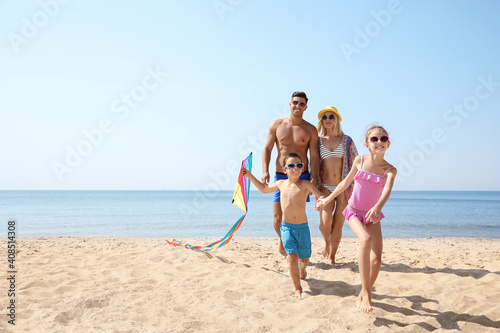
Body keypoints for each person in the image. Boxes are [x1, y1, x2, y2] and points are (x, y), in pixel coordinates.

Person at [315, 124, 397, 313]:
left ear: (388, 144)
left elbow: (387, 191)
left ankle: (363, 291)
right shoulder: (359, 160)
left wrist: (378, 207)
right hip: (353, 211)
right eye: (374, 139)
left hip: (372, 214)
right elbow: (345, 182)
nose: (379, 142)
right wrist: (328, 198)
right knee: (365, 240)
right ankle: (367, 293)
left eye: (383, 139)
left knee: (377, 260)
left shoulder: (390, 170)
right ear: (367, 144)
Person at [242, 153, 325, 299]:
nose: (295, 168)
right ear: (284, 169)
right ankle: (297, 288)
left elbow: (320, 196)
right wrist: (249, 175)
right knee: (292, 257)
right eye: (291, 166)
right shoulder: (280, 184)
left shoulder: (305, 184)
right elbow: (263, 189)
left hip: (302, 228)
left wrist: (320, 201)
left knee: (304, 259)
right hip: (286, 227)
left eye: (299, 165)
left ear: (302, 168)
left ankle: (303, 269)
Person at [262, 91, 319, 256]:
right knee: (277, 218)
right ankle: (284, 239)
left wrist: (314, 176)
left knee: (296, 216)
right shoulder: (277, 125)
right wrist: (265, 170)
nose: (298, 106)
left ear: (305, 107)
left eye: (301, 104)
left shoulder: (310, 129)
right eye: (295, 102)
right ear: (290, 104)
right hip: (281, 175)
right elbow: (267, 148)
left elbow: (314, 155)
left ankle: (294, 248)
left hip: (302, 176)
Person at [316, 106, 358, 265]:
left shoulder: (347, 140)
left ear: (336, 119)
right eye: (324, 117)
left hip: (343, 187)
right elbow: (313, 162)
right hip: (324, 188)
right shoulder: (318, 140)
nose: (327, 120)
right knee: (325, 224)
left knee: (338, 224)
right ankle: (327, 243)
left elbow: (356, 161)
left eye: (331, 117)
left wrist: (352, 187)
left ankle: (332, 257)